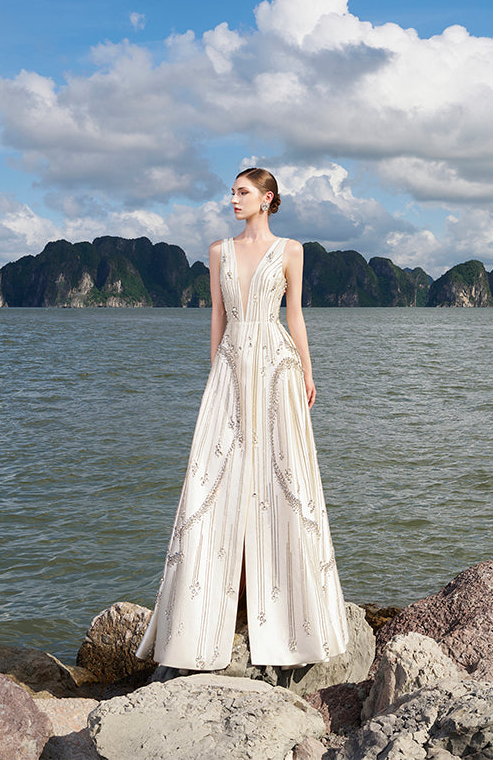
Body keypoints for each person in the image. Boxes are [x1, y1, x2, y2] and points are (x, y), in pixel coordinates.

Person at [135, 167, 350, 676]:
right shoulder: (219, 251)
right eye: (232, 192)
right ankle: (202, 613)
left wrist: (308, 372)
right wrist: (216, 371)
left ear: (267, 198)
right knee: (211, 476)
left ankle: (290, 614)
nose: (233, 199)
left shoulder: (291, 250)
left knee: (284, 475)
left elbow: (294, 315)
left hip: (277, 368)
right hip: (231, 367)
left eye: (243, 192)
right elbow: (217, 315)